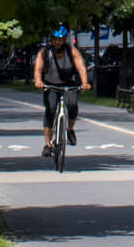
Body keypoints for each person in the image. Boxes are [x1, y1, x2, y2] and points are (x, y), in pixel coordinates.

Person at [32, 26, 90, 155]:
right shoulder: (44, 52)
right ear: (51, 40)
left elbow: (81, 66)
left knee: (72, 105)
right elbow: (38, 68)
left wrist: (85, 83)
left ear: (65, 40)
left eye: (60, 40)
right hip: (50, 85)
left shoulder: (71, 51)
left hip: (69, 84)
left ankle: (69, 129)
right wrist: (38, 81)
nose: (57, 42)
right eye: (55, 40)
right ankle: (47, 144)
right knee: (50, 110)